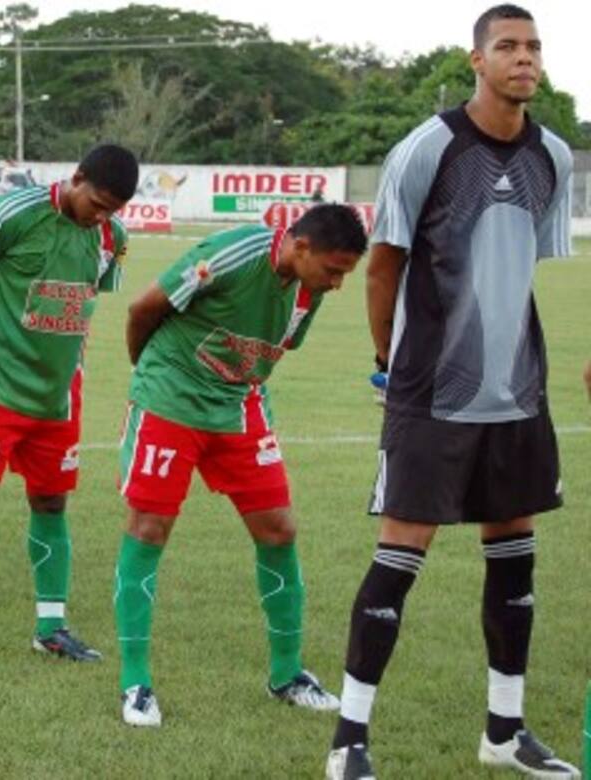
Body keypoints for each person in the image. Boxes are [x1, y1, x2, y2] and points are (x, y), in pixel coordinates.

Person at [326, 6, 578, 778]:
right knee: (401, 553)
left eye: (534, 47)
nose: (524, 59)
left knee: (516, 557)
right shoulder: (429, 148)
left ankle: (505, 732)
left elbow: (524, 267)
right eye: (507, 47)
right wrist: (390, 360)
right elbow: (383, 264)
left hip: (516, 393)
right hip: (431, 392)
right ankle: (349, 745)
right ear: (476, 61)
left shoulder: (556, 156)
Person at [112, 205, 366, 727]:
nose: (337, 285)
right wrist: (152, 379)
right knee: (149, 527)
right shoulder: (234, 253)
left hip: (239, 405)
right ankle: (135, 683)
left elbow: (277, 345)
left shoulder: (307, 288)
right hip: (170, 400)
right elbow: (144, 308)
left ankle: (287, 674)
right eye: (334, 270)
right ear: (300, 247)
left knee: (278, 529)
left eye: (345, 274)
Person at [0, 144, 135, 672]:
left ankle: (51, 628)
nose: (101, 216)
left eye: (113, 209)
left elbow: (84, 296)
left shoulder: (112, 237)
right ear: (76, 178)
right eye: (97, 203)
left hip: (58, 395)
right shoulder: (13, 213)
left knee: (51, 503)